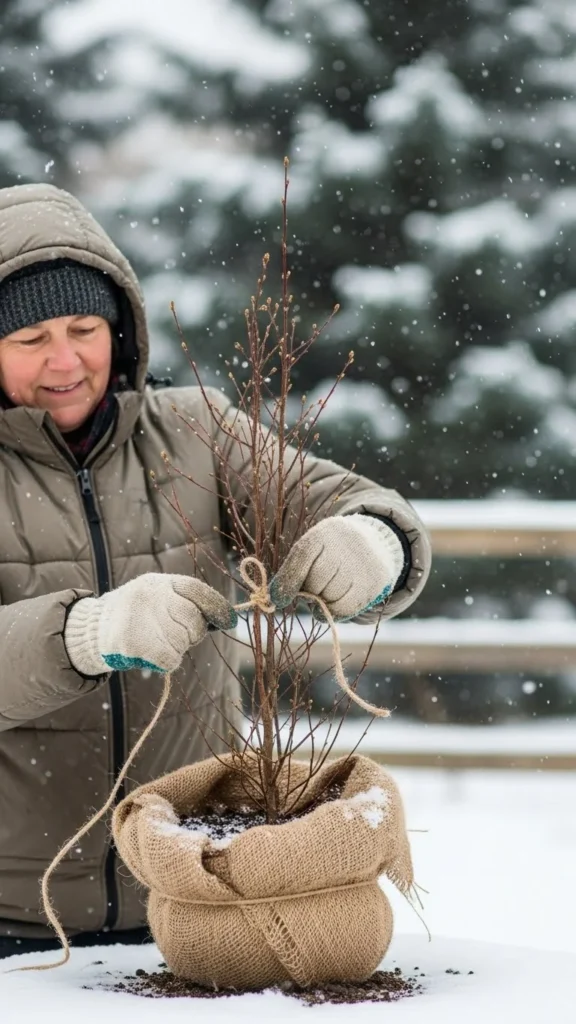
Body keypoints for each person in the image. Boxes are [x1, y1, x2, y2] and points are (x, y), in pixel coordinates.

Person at [0, 183, 432, 959]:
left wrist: (372, 541)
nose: (65, 361)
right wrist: (84, 633)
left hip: (193, 904)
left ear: (120, 330)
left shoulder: (195, 432)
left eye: (84, 327)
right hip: (14, 922)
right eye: (30, 338)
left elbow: (338, 500)